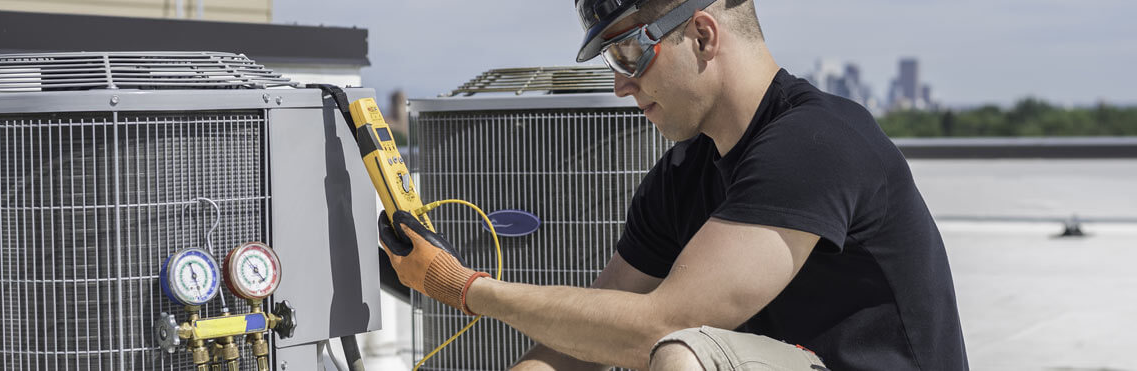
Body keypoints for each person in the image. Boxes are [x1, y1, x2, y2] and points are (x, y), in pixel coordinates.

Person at [377, 0, 968, 369]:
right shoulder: (686, 172)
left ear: (704, 36)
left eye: (630, 52)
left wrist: (464, 286)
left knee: (681, 358)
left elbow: (658, 327)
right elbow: (581, 342)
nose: (621, 85)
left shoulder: (817, 141)